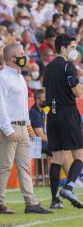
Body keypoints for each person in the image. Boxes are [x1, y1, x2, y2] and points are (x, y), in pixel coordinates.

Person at [0, 43, 53, 214]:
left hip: (21, 126)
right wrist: (7, 129)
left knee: (25, 166)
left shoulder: (19, 77)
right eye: (21, 53)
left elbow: (22, 106)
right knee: (6, 165)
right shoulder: (2, 78)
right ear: (12, 58)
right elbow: (0, 106)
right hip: (8, 126)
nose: (25, 56)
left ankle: (31, 203)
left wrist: (29, 128)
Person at [44, 34, 83, 209]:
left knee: (57, 157)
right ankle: (68, 187)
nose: (75, 51)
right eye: (73, 47)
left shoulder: (48, 67)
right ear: (63, 48)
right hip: (68, 112)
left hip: (52, 114)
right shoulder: (68, 66)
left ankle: (54, 200)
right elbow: (76, 92)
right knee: (79, 155)